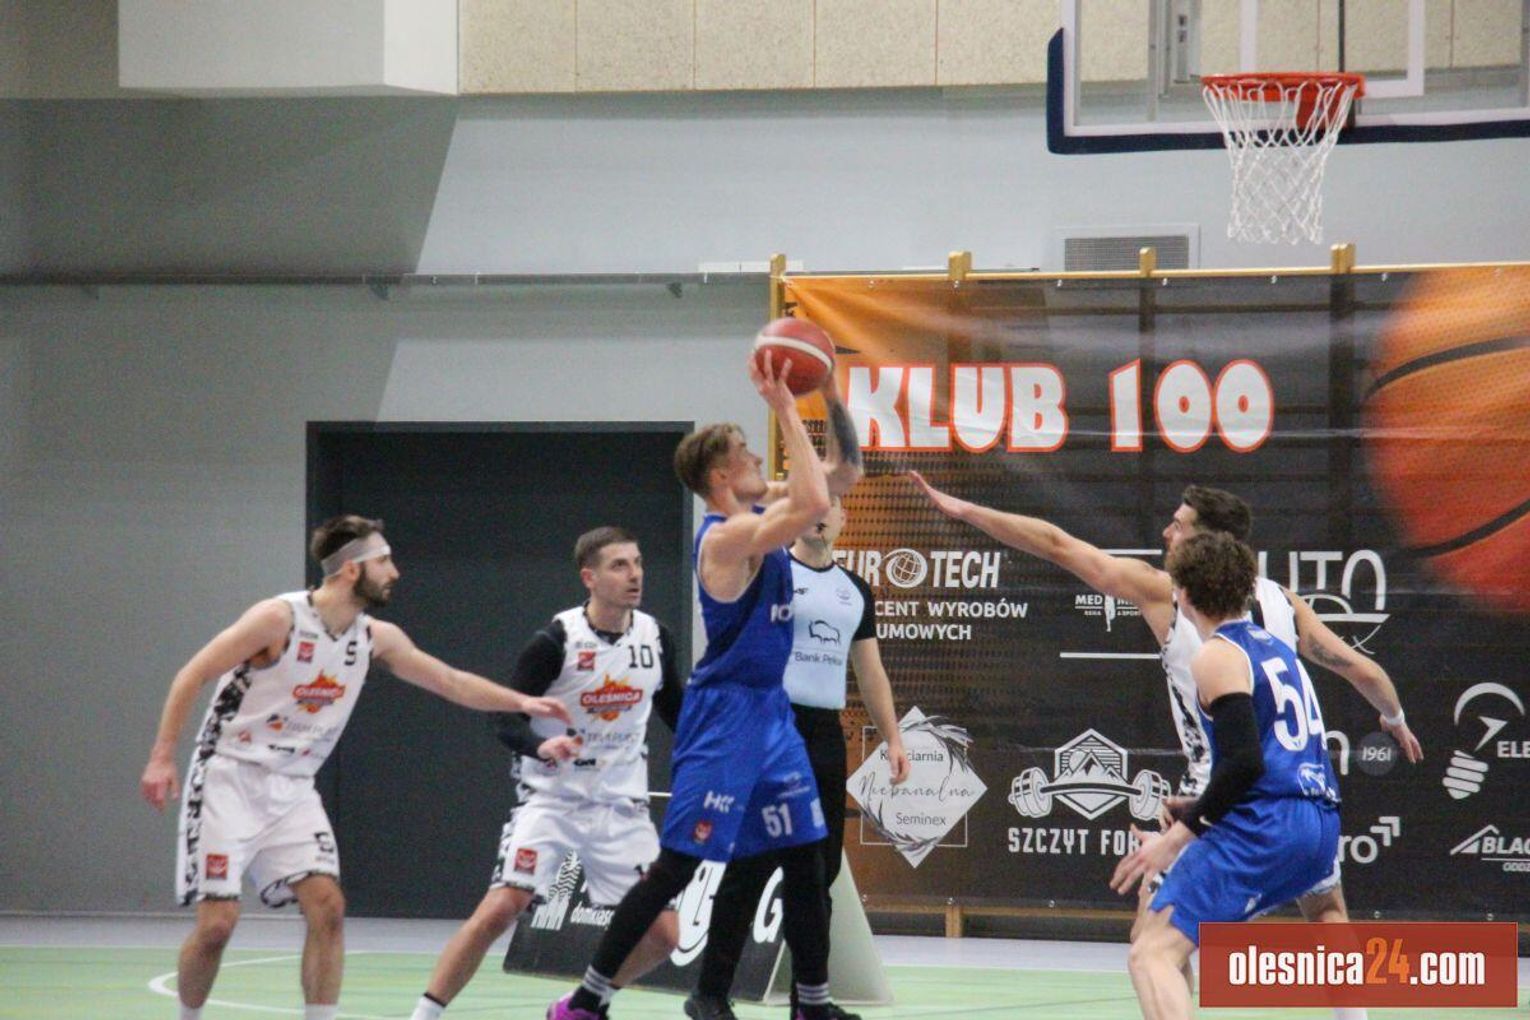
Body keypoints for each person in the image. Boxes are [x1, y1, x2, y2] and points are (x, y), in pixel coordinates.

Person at [910, 475, 1421, 1019]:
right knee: (1326, 912)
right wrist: (1394, 717)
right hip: (1308, 798)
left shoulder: (1171, 597)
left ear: (1209, 545)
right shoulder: (1283, 605)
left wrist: (966, 511)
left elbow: (1058, 545)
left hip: (1227, 799)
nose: (1166, 534)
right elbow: (1363, 670)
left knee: (1151, 946)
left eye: (1178, 527)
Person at [139, 515, 570, 1020]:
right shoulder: (277, 619)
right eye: (383, 561)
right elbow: (193, 673)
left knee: (328, 907)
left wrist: (521, 701)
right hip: (228, 778)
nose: (395, 572)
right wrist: (162, 755)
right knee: (217, 925)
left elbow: (450, 681)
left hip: (294, 788)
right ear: (350, 570)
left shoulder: (374, 637)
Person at [548, 352, 863, 1020]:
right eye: (747, 452)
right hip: (724, 716)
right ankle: (586, 1000)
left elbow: (843, 476)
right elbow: (813, 499)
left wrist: (830, 391)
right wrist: (786, 407)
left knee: (806, 857)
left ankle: (811, 1003)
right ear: (721, 476)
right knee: (678, 868)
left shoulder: (760, 510)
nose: (759, 458)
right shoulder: (726, 538)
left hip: (771, 713)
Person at [408, 527, 685, 1020]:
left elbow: (678, 712)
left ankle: (583, 1004)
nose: (635, 574)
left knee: (664, 936)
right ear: (589, 577)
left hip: (621, 807)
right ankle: (424, 1015)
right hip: (552, 801)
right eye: (619, 565)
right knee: (502, 908)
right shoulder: (556, 641)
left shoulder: (654, 637)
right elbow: (504, 718)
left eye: (638, 562)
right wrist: (541, 745)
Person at [685, 497, 913, 1020]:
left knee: (818, 872)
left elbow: (870, 671)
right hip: (769, 725)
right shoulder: (768, 571)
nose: (821, 514)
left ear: (844, 520)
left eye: (833, 507)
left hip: (824, 735)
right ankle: (710, 993)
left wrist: (894, 739)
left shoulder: (854, 590)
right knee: (750, 864)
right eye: (813, 505)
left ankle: (809, 1003)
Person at [1110, 530, 1342, 1020]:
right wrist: (1197, 808)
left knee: (1151, 953)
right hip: (1319, 827)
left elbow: (1244, 763)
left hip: (1268, 826)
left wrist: (1175, 840)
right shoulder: (1279, 649)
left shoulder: (1216, 655)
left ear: (1184, 595)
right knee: (1168, 941)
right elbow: (1267, 756)